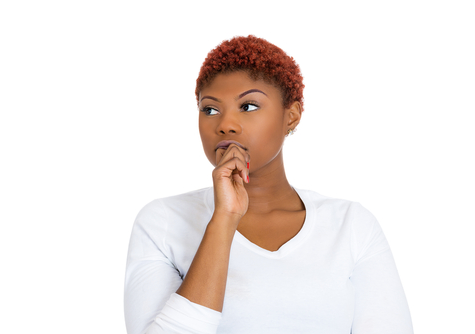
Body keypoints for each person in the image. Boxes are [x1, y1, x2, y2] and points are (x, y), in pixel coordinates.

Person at [124, 35, 413, 334]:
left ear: (292, 116)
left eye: (248, 106)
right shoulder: (163, 222)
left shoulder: (351, 225)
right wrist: (224, 219)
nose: (225, 124)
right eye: (209, 109)